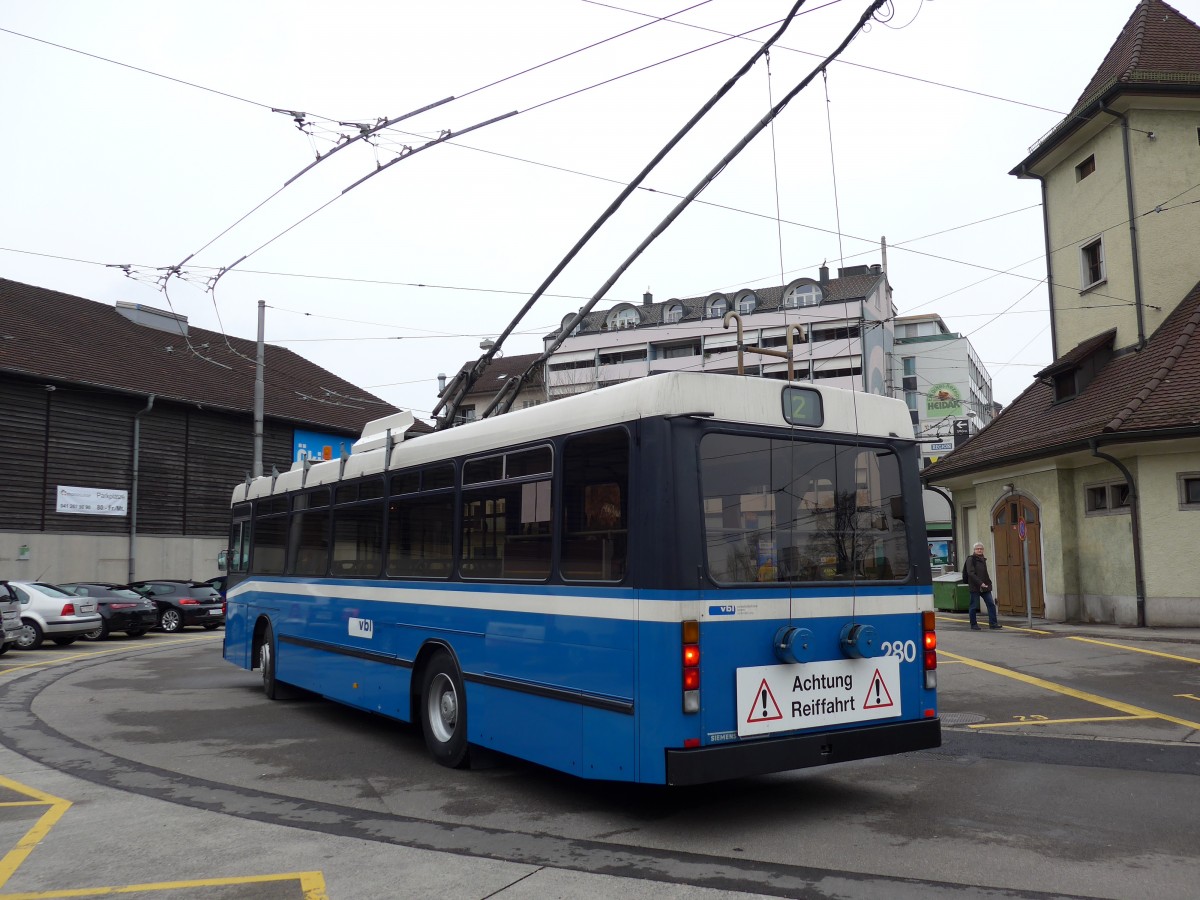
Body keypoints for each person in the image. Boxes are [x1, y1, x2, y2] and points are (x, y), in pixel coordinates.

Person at [962, 542, 1000, 630]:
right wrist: (980, 583)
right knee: (973, 606)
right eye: (977, 549)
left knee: (991, 604)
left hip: (985, 587)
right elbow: (971, 573)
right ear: (974, 550)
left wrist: (988, 583)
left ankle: (993, 624)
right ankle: (973, 624)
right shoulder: (971, 559)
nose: (979, 550)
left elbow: (984, 574)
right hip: (975, 586)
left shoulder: (983, 559)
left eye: (981, 548)